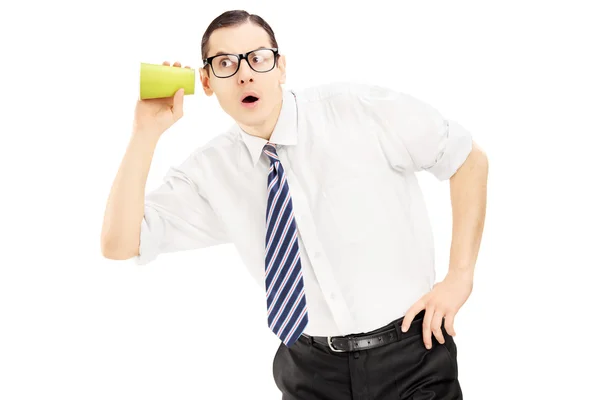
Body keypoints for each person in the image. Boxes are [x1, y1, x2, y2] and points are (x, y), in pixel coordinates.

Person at [101, 9, 488, 400]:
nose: (245, 74)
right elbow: (119, 244)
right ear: (206, 81)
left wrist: (460, 276)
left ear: (281, 67)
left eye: (258, 58)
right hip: (310, 372)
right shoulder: (210, 173)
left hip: (411, 354)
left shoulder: (356, 110)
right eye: (225, 64)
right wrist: (144, 134)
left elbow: (466, 159)